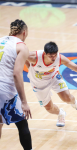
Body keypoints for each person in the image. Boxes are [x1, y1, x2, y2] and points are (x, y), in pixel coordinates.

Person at [26, 41, 77, 127]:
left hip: (54, 77)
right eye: (50, 56)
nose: (53, 58)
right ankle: (61, 113)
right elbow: (18, 55)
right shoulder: (34, 57)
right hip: (38, 83)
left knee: (67, 98)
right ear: (45, 53)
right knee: (49, 109)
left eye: (55, 55)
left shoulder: (59, 58)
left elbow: (76, 68)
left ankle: (75, 104)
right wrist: (29, 67)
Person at [0, 19, 32, 150]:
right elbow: (17, 74)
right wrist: (24, 102)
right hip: (6, 90)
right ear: (24, 32)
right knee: (22, 123)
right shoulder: (21, 46)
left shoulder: (1, 40)